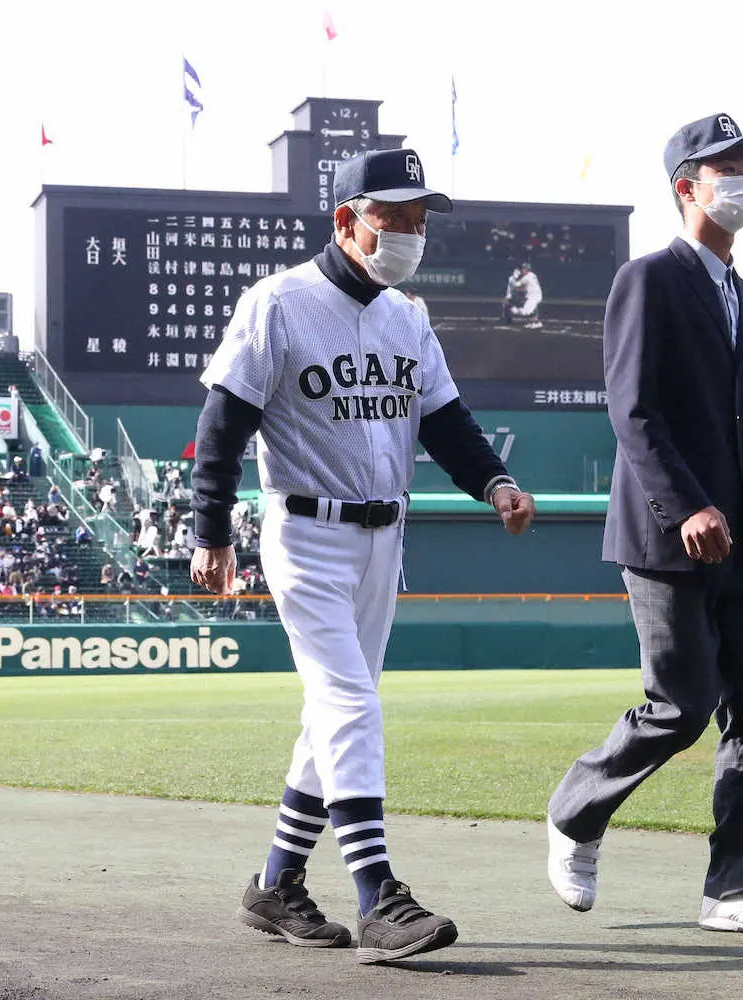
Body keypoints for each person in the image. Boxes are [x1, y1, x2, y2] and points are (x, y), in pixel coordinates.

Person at [189, 147, 535, 964]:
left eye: (421, 218)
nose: (414, 231)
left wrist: (494, 482)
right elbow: (222, 422)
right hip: (306, 532)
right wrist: (211, 531)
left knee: (333, 714)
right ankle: (379, 895)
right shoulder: (278, 303)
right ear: (347, 222)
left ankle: (275, 883)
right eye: (397, 217)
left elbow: (445, 421)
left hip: (385, 537)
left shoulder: (406, 316)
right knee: (350, 703)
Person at [547, 114, 743, 936]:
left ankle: (735, 891)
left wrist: (734, 513)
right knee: (681, 706)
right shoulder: (647, 279)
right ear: (683, 186)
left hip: (738, 538)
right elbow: (632, 410)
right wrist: (683, 505)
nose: (740, 179)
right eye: (722, 166)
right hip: (665, 534)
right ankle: (575, 812)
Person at [500, 262, 543, 328]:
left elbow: (516, 286)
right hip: (533, 296)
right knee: (532, 307)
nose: (523, 270)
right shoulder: (532, 275)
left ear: (527, 269)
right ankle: (533, 321)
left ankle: (537, 322)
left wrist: (514, 279)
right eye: (523, 268)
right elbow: (519, 288)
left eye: (524, 268)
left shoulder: (527, 277)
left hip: (534, 296)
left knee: (524, 312)